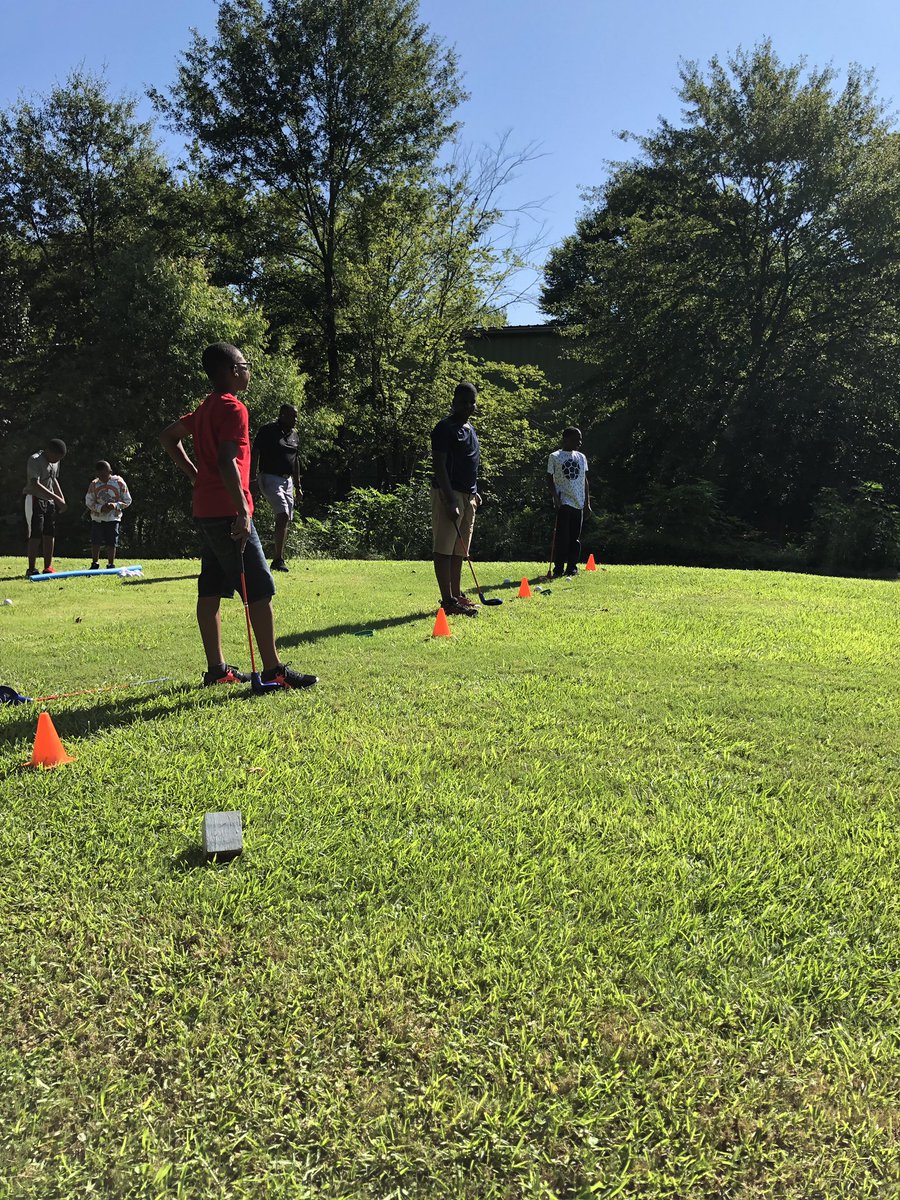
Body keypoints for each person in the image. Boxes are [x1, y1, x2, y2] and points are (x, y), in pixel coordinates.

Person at [159, 342, 317, 690]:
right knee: (260, 590)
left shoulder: (205, 408)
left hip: (205, 509)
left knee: (210, 588)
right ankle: (275, 671)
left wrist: (194, 476)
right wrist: (244, 511)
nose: (249, 370)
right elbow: (227, 460)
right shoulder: (233, 408)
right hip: (229, 512)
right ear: (232, 371)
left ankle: (218, 671)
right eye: (245, 365)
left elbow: (169, 437)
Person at [430, 382, 481, 616]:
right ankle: (447, 600)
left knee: (460, 549)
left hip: (468, 495)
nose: (468, 406)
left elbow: (470, 463)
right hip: (449, 494)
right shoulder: (444, 428)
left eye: (472, 402)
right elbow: (439, 465)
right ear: (453, 402)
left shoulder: (470, 429)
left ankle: (457, 595)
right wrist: (449, 499)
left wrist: (474, 491)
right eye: (464, 401)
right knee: (444, 548)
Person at [250, 403, 302, 572]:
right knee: (283, 513)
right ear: (282, 415)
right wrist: (252, 478)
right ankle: (277, 559)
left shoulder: (294, 435)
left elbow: (295, 461)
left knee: (285, 517)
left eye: (296, 416)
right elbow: (255, 452)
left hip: (287, 481)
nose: (295, 419)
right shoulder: (268, 431)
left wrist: (298, 486)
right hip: (269, 477)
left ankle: (278, 557)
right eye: (292, 416)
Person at [547, 426, 591, 577]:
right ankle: (558, 569)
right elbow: (549, 478)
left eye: (580, 439)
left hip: (579, 502)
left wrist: (587, 504)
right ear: (565, 439)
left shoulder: (581, 457)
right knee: (562, 538)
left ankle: (572, 568)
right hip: (564, 501)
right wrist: (555, 497)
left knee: (574, 538)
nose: (579, 442)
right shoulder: (555, 456)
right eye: (576, 439)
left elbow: (584, 480)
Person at [24, 438, 67, 577]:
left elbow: (54, 479)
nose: (56, 460)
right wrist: (56, 498)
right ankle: (31, 568)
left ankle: (48, 567)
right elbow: (35, 483)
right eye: (55, 457)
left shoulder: (55, 462)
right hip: (34, 499)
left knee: (50, 533)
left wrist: (62, 499)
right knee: (35, 533)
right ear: (49, 451)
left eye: (59, 458)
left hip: (49, 502)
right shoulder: (35, 460)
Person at [85, 461, 132, 569]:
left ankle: (111, 563)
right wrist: (100, 508)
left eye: (105, 475)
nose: (102, 477)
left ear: (110, 471)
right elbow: (89, 501)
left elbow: (127, 500)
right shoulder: (94, 484)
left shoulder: (119, 482)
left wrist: (115, 505)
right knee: (95, 540)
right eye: (100, 475)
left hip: (113, 517)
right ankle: (95, 562)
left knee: (112, 541)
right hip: (97, 518)